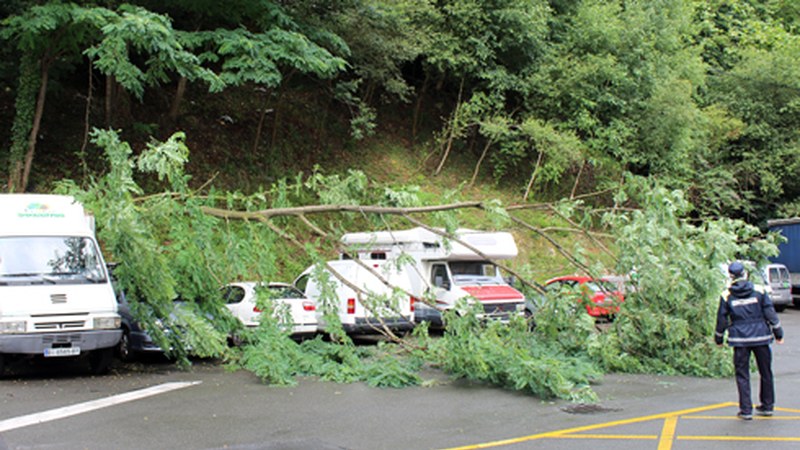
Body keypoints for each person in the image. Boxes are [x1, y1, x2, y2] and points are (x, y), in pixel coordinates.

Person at [715, 261, 784, 420]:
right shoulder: (759, 290)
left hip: (740, 340)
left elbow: (722, 319)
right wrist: (778, 333)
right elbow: (770, 313)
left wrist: (718, 338)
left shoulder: (727, 295)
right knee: (766, 372)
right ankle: (767, 406)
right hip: (761, 337)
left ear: (731, 276)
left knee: (742, 374)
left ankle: (746, 410)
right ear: (744, 274)